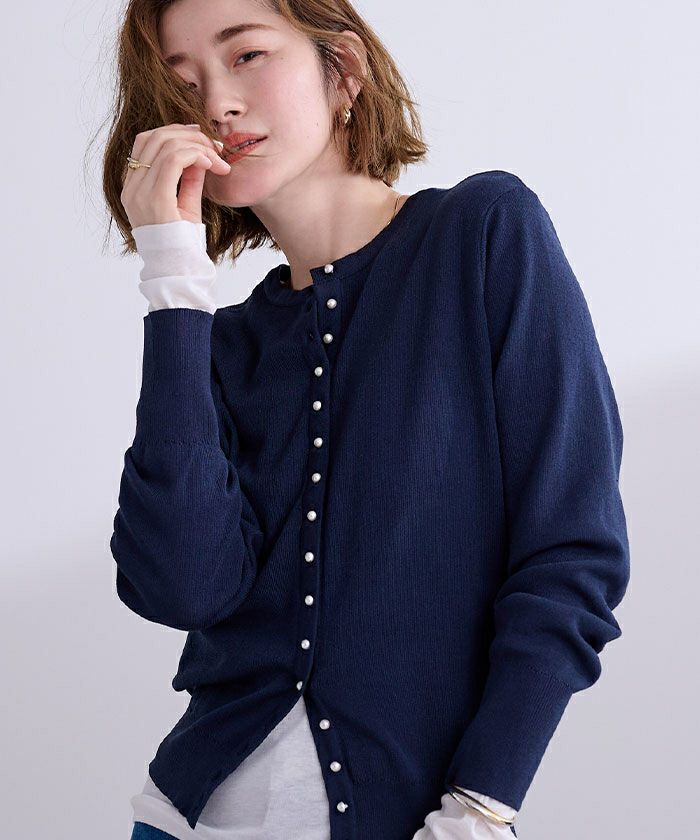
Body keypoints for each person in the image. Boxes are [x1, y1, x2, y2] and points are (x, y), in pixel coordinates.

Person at [103, 1, 631, 839]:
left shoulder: (483, 235)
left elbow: (572, 555)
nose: (217, 104)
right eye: (184, 83)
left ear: (342, 69)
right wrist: (173, 285)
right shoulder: (218, 344)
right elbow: (180, 587)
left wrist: (479, 809)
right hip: (181, 818)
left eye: (246, 56)